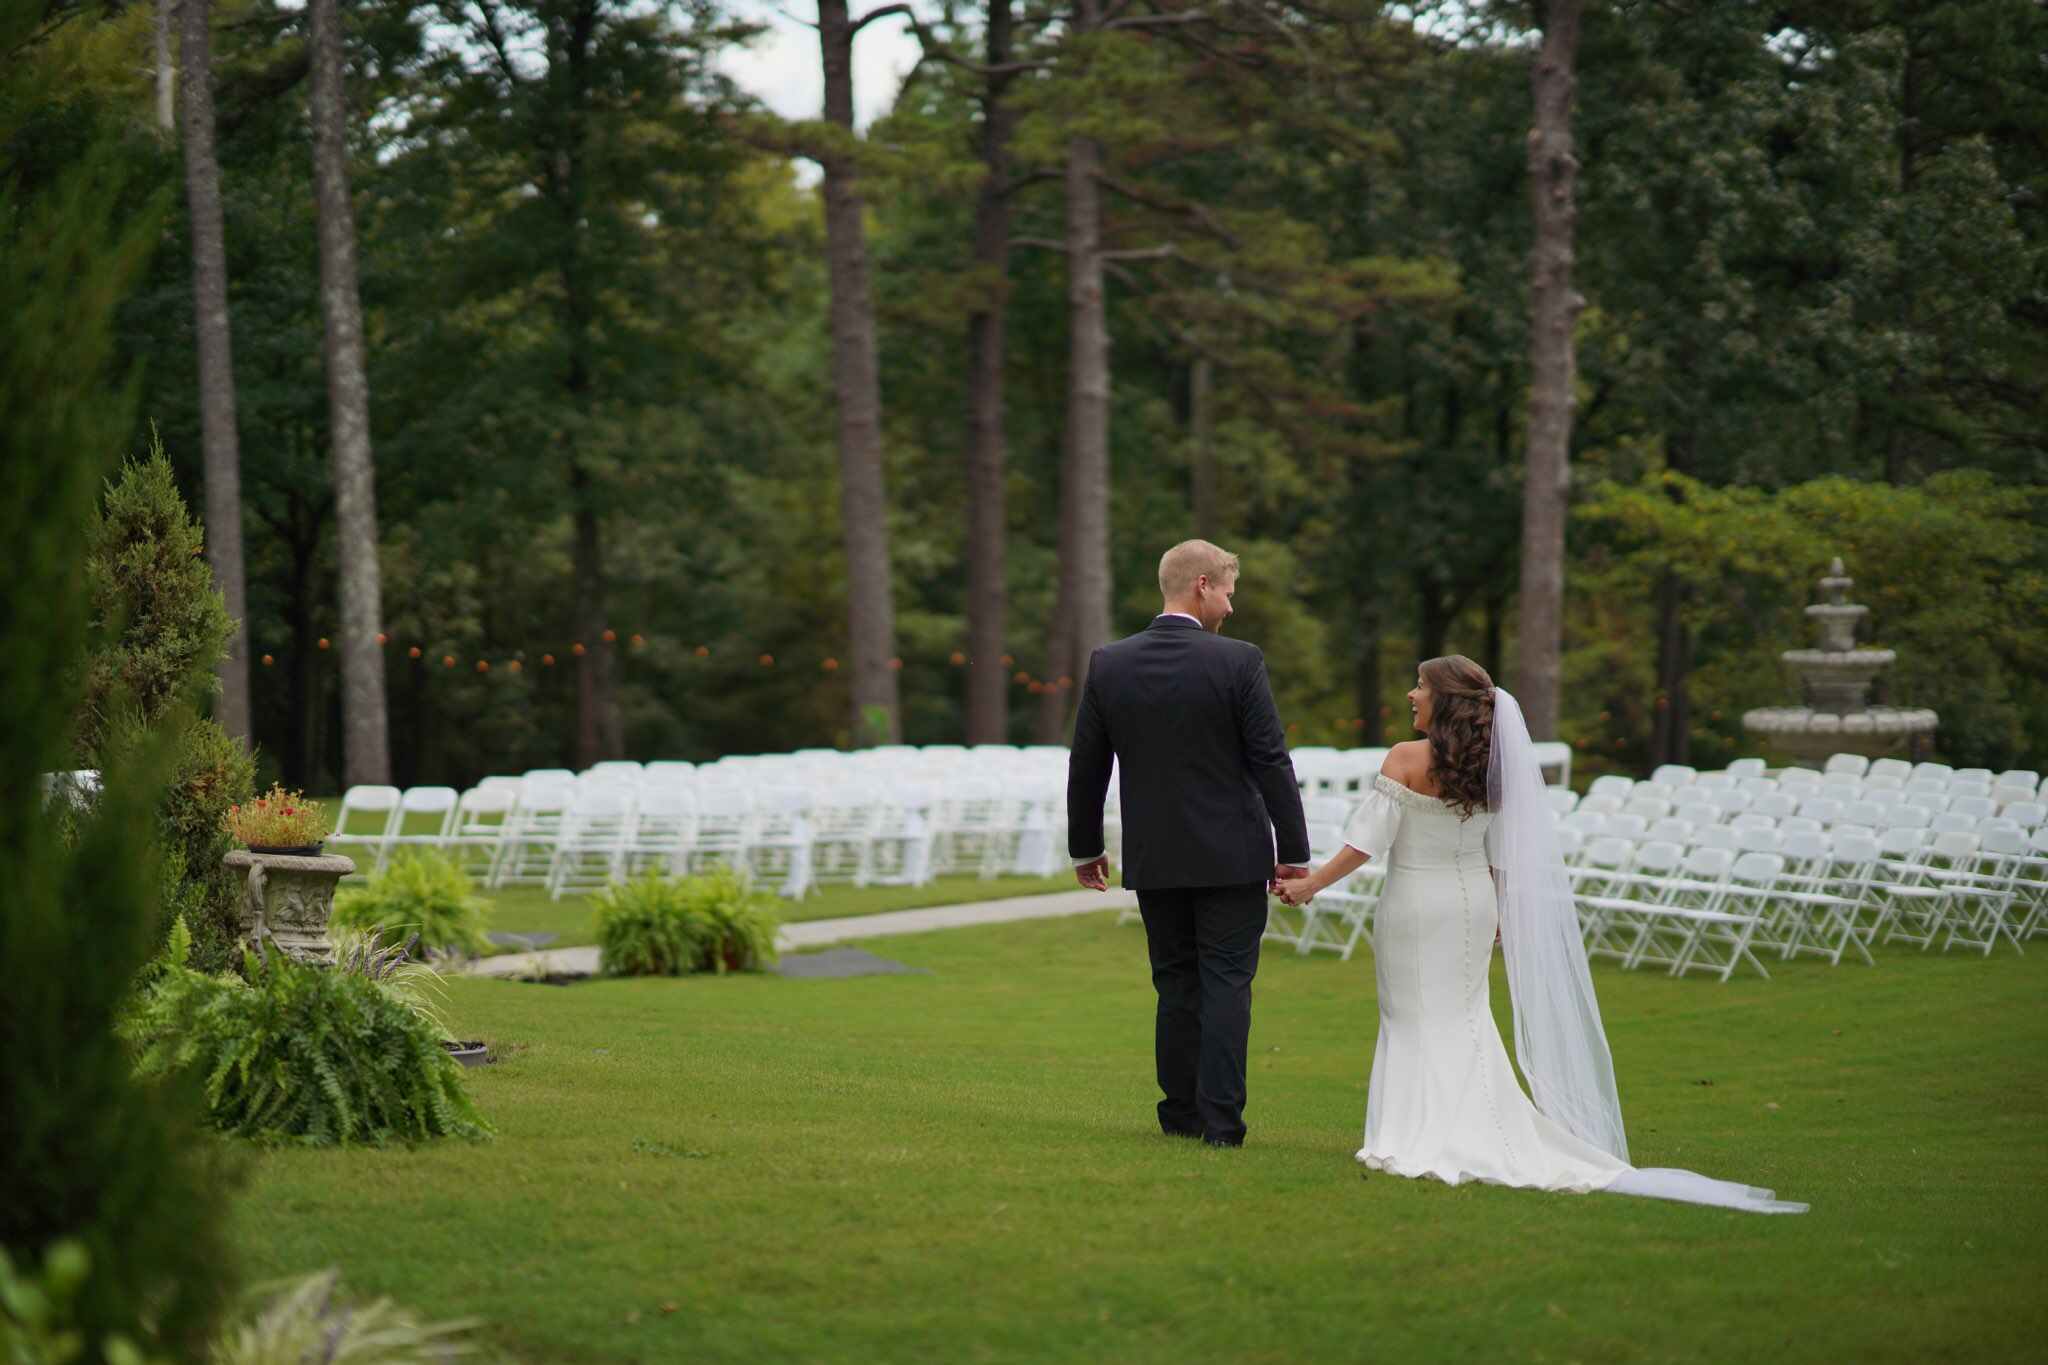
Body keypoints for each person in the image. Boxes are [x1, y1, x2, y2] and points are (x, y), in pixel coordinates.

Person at [1277, 655, 1807, 1213]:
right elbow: (1502, 852)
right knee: (1462, 1017)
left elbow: (1367, 842)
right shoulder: (1491, 765)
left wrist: (1312, 885)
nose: (1412, 695)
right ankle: (1461, 1125)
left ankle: (1417, 1134)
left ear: (1445, 700)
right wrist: (1502, 908)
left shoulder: (1407, 758)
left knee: (1413, 1017)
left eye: (1420, 686)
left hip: (1416, 905)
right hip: (1473, 905)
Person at [1067, 539, 1312, 1148]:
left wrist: (1085, 846)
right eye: (1228, 591)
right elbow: (1271, 762)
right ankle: (1222, 1124)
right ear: (1202, 585)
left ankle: (1180, 1115)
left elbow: (1087, 766)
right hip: (1233, 855)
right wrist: (1295, 851)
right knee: (1227, 982)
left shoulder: (1110, 662)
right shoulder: (1240, 662)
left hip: (1157, 856)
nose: (1230, 607)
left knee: (1176, 984)